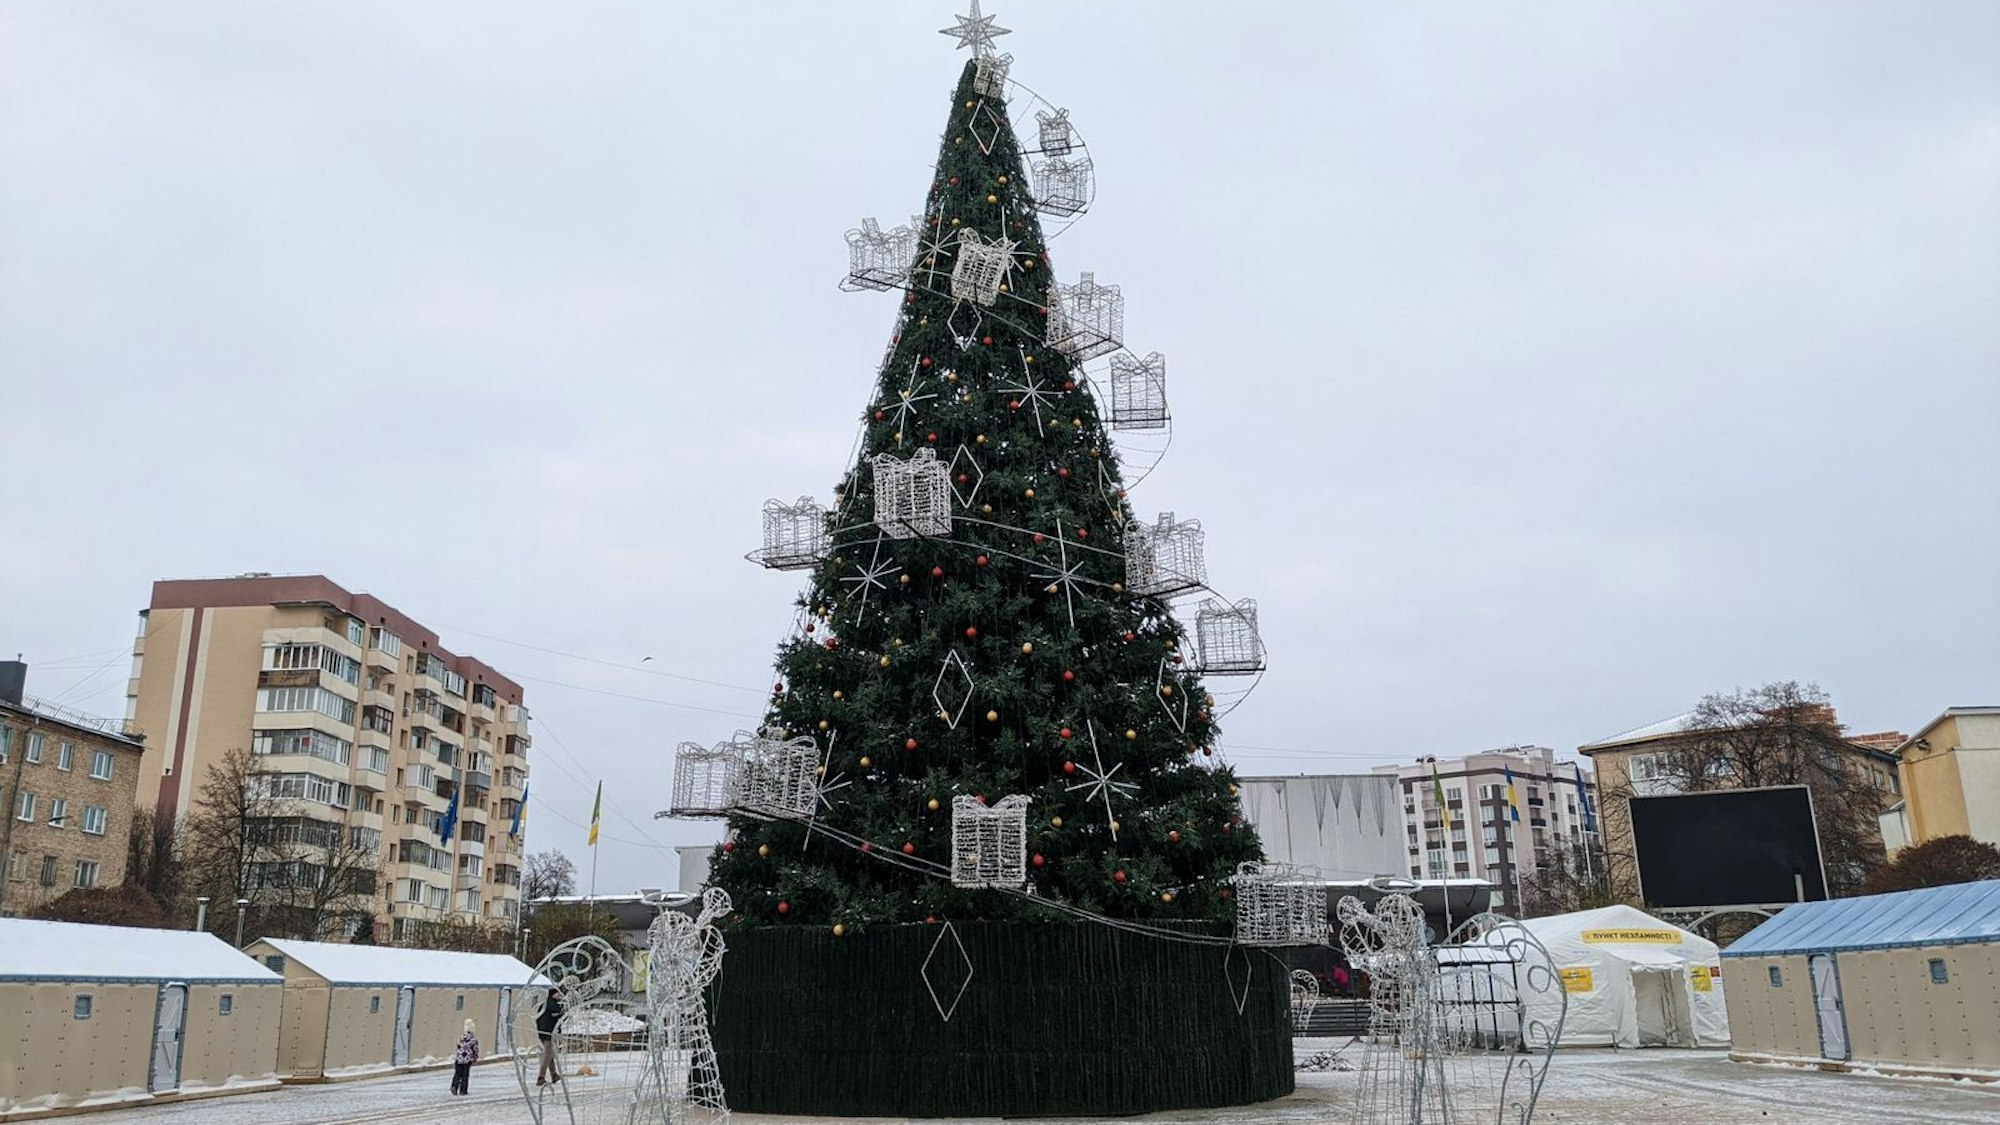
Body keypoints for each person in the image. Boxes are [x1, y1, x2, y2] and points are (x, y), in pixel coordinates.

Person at [535, 988, 565, 1087]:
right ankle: (541, 1077)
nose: (559, 996)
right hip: (550, 1033)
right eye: (558, 994)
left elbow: (538, 1018)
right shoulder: (553, 1005)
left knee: (550, 1054)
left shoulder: (543, 1005)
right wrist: (564, 1011)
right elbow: (561, 1017)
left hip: (542, 1032)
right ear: (553, 995)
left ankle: (554, 1075)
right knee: (548, 1055)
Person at [450, 1018, 480, 1096]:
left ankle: (454, 1086)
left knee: (457, 1073)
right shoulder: (473, 1040)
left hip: (459, 1058)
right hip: (467, 1059)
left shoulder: (461, 1038)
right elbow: (475, 1050)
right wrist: (475, 1057)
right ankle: (463, 1090)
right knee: (465, 1075)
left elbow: (458, 1046)